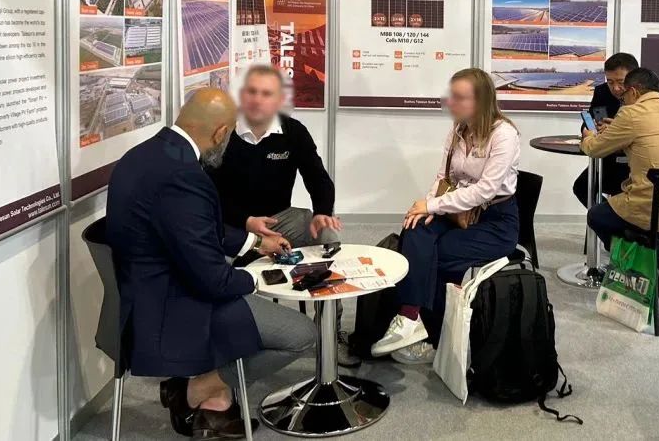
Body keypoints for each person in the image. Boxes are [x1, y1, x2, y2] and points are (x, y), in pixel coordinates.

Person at [106, 88, 316, 439]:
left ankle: (215, 397)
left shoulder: (143, 156)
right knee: (301, 335)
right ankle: (195, 389)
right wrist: (261, 280)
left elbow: (191, 228)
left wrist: (254, 242)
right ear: (220, 133)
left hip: (143, 291)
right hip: (174, 305)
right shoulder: (185, 176)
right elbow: (214, 281)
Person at [206, 65, 359, 367]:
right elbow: (209, 194)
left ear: (278, 100)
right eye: (252, 92)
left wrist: (322, 212)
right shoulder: (223, 133)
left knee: (327, 236)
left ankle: (331, 331)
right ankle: (224, 338)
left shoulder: (293, 132)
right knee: (208, 264)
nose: (257, 100)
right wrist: (246, 222)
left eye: (266, 94)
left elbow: (318, 177)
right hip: (231, 223)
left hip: (280, 219)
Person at [370, 68, 521, 364]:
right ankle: (410, 318)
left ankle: (431, 333)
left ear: (481, 100)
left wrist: (432, 206)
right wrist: (427, 206)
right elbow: (443, 177)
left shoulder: (504, 134)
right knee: (414, 229)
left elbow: (486, 190)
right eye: (452, 96)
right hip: (457, 211)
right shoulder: (458, 131)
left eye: (460, 97)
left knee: (435, 253)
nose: (451, 103)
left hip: (496, 220)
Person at [581, 68, 659, 285]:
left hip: (654, 211)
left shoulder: (631, 113)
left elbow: (594, 149)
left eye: (623, 97)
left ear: (634, 91)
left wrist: (588, 136)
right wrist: (617, 129)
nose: (622, 101)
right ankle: (655, 261)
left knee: (596, 216)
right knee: (630, 214)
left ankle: (643, 266)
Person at [573, 53, 659, 208]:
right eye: (610, 82)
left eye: (621, 82)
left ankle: (613, 216)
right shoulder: (601, 92)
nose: (615, 88)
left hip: (640, 162)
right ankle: (610, 215)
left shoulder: (655, 94)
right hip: (608, 157)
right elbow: (588, 121)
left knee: (624, 192)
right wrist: (593, 128)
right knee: (582, 187)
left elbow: (656, 129)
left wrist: (618, 129)